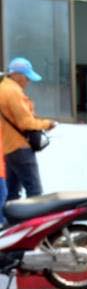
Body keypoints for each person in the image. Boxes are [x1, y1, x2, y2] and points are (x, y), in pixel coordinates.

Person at [0, 57, 57, 201]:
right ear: (18, 76)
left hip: (7, 149)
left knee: (11, 194)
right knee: (35, 192)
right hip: (21, 148)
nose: (28, 81)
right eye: (27, 77)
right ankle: (36, 224)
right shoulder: (14, 92)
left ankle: (11, 223)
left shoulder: (2, 88)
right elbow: (25, 122)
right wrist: (47, 124)